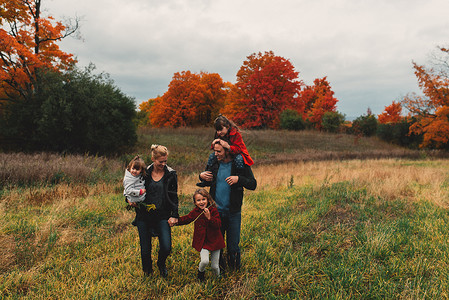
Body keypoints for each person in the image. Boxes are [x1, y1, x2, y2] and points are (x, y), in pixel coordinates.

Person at [199, 139, 257, 272]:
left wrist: (239, 179)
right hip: (216, 212)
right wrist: (201, 176)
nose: (216, 154)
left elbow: (253, 184)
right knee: (218, 244)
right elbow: (207, 181)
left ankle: (235, 272)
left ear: (227, 150)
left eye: (219, 151)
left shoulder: (239, 163)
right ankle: (221, 271)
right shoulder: (214, 162)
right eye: (214, 151)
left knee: (233, 246)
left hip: (233, 212)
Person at [127, 145, 179, 278]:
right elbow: (129, 186)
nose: (163, 164)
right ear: (153, 159)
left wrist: (174, 215)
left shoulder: (171, 174)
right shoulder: (144, 172)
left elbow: (173, 195)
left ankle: (161, 264)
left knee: (166, 247)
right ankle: (148, 272)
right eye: (160, 161)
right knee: (145, 250)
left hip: (162, 215)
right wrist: (128, 199)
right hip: (144, 215)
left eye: (165, 161)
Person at [175, 189, 225, 281]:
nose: (201, 202)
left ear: (208, 200)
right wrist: (176, 221)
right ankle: (200, 273)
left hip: (215, 241)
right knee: (205, 261)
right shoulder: (196, 212)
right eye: (198, 200)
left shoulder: (213, 210)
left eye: (203, 199)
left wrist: (209, 218)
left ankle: (217, 280)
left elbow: (218, 224)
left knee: (215, 266)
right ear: (195, 202)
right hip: (203, 241)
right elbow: (187, 219)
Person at [197, 115, 254, 187]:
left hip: (237, 152)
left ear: (227, 127)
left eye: (221, 130)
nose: (219, 132)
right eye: (217, 130)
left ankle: (239, 176)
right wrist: (214, 142)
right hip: (225, 153)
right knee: (211, 156)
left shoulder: (235, 134)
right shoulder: (218, 134)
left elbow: (238, 149)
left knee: (239, 159)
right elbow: (215, 147)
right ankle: (207, 178)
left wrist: (228, 147)